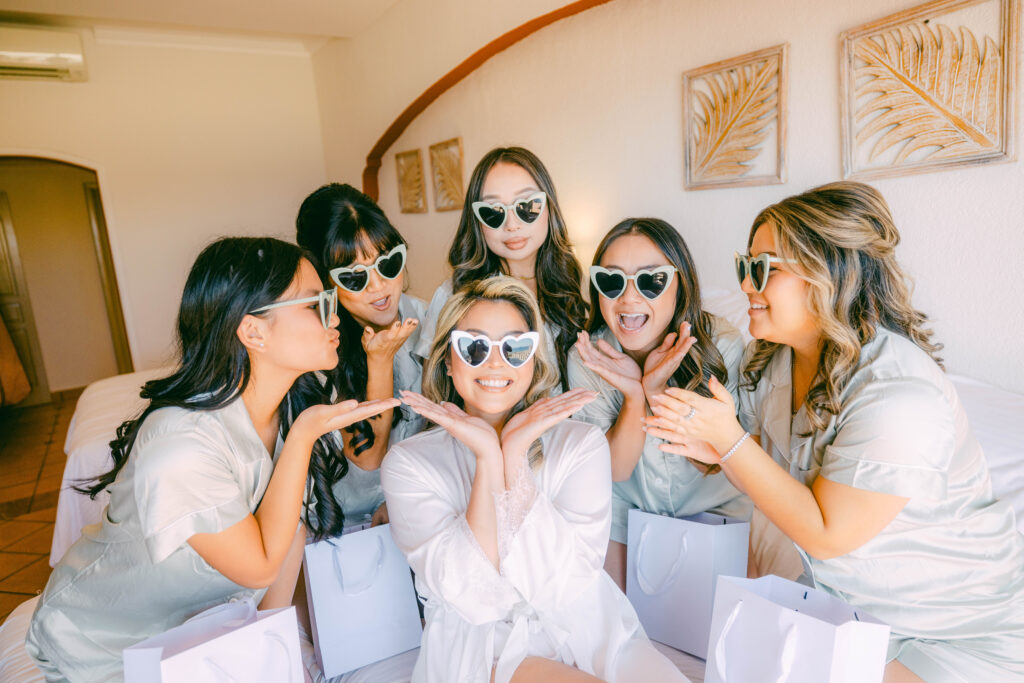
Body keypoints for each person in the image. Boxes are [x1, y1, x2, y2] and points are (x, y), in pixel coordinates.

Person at [645, 182, 1024, 683]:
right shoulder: (778, 362)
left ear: (827, 276)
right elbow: (772, 466)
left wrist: (729, 441)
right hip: (856, 612)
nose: (745, 285)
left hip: (955, 628)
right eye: (744, 266)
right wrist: (714, 448)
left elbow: (826, 534)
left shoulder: (898, 395)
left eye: (764, 269)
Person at [25, 237, 398, 681]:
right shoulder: (180, 446)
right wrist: (302, 437)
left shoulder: (291, 408)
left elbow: (289, 539)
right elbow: (260, 563)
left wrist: (277, 651)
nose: (334, 316)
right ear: (252, 331)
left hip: (200, 632)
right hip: (106, 644)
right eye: (315, 304)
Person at [383, 276, 689, 682]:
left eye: (515, 347)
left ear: (534, 359)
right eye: (473, 348)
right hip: (479, 646)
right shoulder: (409, 463)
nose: (495, 363)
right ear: (446, 361)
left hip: (591, 630)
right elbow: (475, 598)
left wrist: (514, 458)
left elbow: (565, 590)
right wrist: (489, 459)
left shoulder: (581, 445)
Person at [567, 218, 748, 589]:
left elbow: (716, 460)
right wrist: (634, 396)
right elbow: (615, 471)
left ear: (681, 285)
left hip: (714, 512)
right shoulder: (588, 356)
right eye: (612, 281)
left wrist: (657, 391)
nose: (629, 298)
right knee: (613, 621)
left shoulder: (723, 345)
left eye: (651, 281)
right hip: (626, 514)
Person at [296, 183, 425, 528]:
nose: (378, 285)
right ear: (324, 282)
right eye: (354, 277)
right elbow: (367, 464)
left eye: (389, 263)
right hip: (341, 525)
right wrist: (380, 361)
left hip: (418, 503)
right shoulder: (317, 350)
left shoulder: (430, 320)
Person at [415, 147, 586, 390]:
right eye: (493, 212)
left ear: (549, 207)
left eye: (527, 206)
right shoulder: (454, 295)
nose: (512, 224)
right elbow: (434, 391)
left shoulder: (578, 285)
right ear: (477, 221)